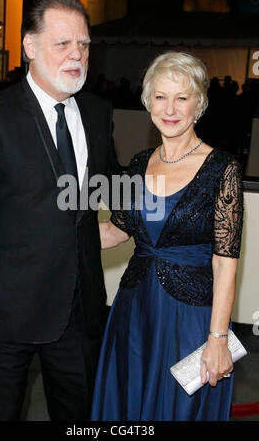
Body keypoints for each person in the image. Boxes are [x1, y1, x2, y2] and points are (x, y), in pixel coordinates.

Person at [0, 0, 121, 421]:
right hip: (5, 316)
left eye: (84, 45)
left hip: (80, 310)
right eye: (63, 44)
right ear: (30, 47)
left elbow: (112, 188)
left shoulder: (97, 112)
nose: (77, 55)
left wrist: (150, 208)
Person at [91, 51, 244, 421]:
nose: (170, 108)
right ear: (148, 103)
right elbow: (115, 231)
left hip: (189, 320)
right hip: (133, 313)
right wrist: (50, 231)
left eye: (182, 97)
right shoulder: (141, 163)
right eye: (160, 96)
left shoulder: (222, 169)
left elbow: (225, 264)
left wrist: (218, 339)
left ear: (199, 103)